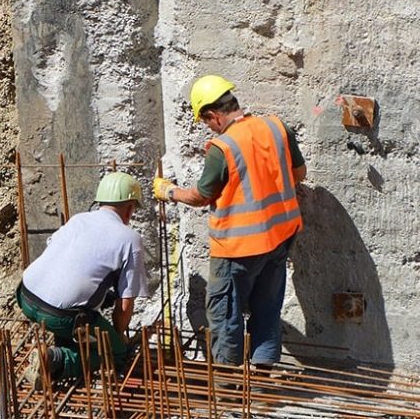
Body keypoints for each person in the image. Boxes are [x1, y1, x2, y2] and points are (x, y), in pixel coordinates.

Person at [153, 75, 306, 372]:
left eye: (206, 122)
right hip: (280, 237)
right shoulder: (276, 127)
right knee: (267, 308)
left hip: (238, 247)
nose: (208, 127)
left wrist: (168, 191)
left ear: (213, 114)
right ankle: (262, 375)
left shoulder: (222, 147)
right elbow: (298, 173)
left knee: (224, 313)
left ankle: (227, 385)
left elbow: (201, 196)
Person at [17, 171, 148, 389]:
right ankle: (55, 359)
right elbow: (125, 305)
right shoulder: (129, 239)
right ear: (130, 208)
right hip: (59, 316)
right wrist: (117, 337)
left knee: (84, 309)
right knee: (115, 353)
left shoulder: (78, 220)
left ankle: (62, 345)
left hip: (25, 296)